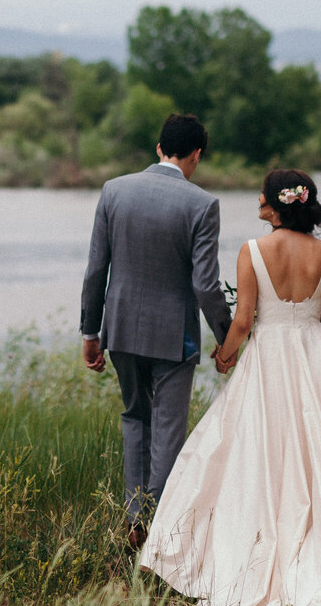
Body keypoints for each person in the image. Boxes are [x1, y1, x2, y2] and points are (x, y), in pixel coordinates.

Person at [138, 168, 321, 606]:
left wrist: (225, 356)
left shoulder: (252, 251)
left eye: (262, 196)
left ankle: (249, 549)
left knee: (253, 449)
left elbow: (243, 319)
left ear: (276, 203)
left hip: (267, 357)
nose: (257, 202)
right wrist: (314, 334)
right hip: (314, 356)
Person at [81, 112, 233, 550]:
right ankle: (158, 528)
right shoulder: (202, 205)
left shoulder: (114, 191)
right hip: (174, 338)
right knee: (168, 429)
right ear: (196, 155)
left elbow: (96, 270)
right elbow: (205, 285)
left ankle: (135, 517)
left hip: (122, 331)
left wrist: (91, 333)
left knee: (135, 418)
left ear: (158, 147)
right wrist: (227, 337)